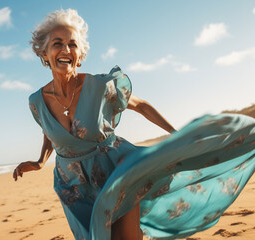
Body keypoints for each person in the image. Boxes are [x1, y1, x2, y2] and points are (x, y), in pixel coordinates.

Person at [13, 9, 255, 240]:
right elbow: (49, 132)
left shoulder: (99, 87)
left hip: (116, 171)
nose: (66, 49)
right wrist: (40, 161)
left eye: (72, 44)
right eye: (57, 43)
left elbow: (141, 106)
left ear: (80, 53)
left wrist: (178, 135)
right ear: (44, 52)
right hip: (74, 187)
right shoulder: (36, 102)